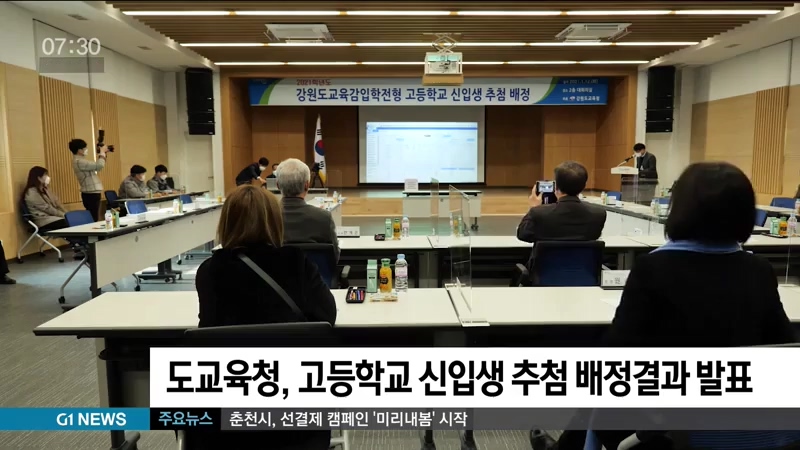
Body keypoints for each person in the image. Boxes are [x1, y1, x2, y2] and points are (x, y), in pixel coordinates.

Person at [534, 162, 797, 450]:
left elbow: (618, 352)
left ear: (680, 209)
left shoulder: (654, 267)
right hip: (740, 420)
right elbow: (784, 346)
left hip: (665, 425)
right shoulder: (759, 269)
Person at [194, 185, 335, 450]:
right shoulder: (295, 261)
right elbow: (327, 319)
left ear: (226, 222)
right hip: (295, 404)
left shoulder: (209, 270)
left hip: (228, 408)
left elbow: (210, 326)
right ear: (274, 220)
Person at [517, 161, 606, 244]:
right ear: (584, 186)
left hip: (549, 256)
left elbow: (523, 235)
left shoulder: (538, 213)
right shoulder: (599, 214)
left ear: (556, 186)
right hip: (583, 256)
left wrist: (533, 207)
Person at [276, 158, 340, 261]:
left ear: (278, 185)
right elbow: (334, 257)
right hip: (315, 271)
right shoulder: (323, 217)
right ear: (307, 185)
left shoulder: (265, 218)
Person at [70, 138, 107, 221]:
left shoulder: (82, 161)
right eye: (85, 148)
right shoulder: (79, 161)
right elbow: (99, 165)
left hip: (92, 192)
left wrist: (103, 154)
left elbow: (99, 166)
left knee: (95, 217)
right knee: (93, 218)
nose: (86, 150)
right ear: (79, 150)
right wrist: (102, 152)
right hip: (90, 193)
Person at [23, 166, 67, 232]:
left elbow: (56, 202)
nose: (47, 177)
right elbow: (47, 209)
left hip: (53, 217)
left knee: (73, 221)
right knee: (68, 223)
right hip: (43, 220)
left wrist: (67, 213)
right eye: (45, 175)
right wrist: (64, 215)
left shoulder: (45, 189)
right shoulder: (32, 193)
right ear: (39, 178)